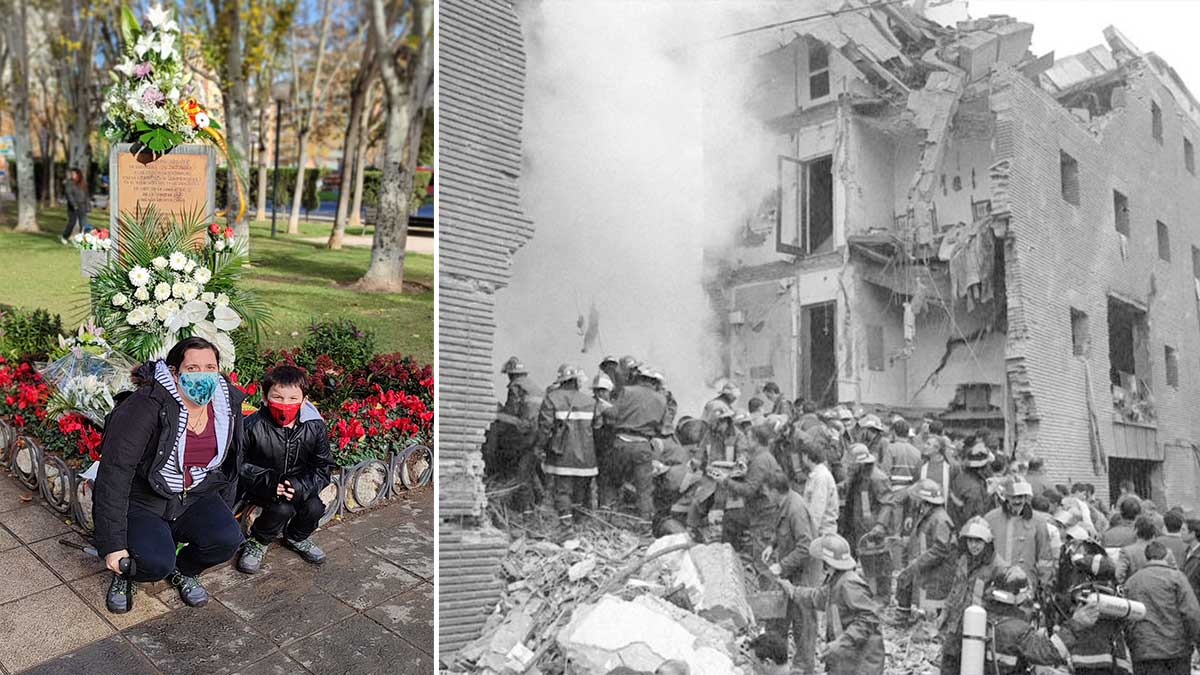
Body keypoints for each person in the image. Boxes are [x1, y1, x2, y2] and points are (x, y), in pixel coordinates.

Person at [93, 337, 247, 613]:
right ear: (175, 372)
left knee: (227, 539)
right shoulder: (146, 405)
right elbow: (115, 472)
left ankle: (184, 570)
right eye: (193, 368)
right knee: (153, 563)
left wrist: (223, 508)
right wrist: (112, 545)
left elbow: (230, 462)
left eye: (210, 367)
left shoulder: (226, 405)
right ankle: (125, 575)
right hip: (145, 497)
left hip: (195, 493)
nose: (203, 375)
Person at [236, 365, 334, 574]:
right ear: (265, 397)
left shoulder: (314, 426)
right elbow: (237, 465)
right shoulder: (251, 425)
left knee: (315, 507)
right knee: (282, 509)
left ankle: (296, 537)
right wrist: (270, 482)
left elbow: (323, 466)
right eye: (277, 397)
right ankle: (259, 541)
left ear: (304, 400)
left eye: (292, 398)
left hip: (299, 485)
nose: (285, 404)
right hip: (262, 486)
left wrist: (302, 486)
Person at [776, 534, 884, 675]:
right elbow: (819, 597)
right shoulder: (836, 581)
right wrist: (793, 591)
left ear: (828, 563)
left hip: (862, 662)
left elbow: (869, 617)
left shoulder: (849, 584)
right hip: (849, 658)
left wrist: (842, 643)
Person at [980, 566, 1100, 674]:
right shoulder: (1018, 630)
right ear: (1020, 598)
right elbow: (1049, 652)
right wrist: (1076, 623)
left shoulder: (980, 620)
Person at [925, 517, 1006, 675]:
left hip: (979, 629)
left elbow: (1002, 603)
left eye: (978, 541)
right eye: (970, 541)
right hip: (956, 624)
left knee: (974, 667)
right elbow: (956, 589)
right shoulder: (964, 560)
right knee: (949, 665)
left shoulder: (998, 566)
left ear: (987, 542)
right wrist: (944, 615)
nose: (973, 546)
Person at [760, 470, 818, 673]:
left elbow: (806, 546)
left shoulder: (796, 509)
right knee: (779, 621)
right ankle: (779, 667)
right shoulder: (783, 504)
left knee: (804, 627)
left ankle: (804, 669)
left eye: (767, 492)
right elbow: (781, 531)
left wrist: (781, 566)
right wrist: (771, 545)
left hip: (803, 577)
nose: (766, 495)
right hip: (790, 575)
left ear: (776, 491)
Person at [601, 366, 669, 525]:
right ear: (655, 382)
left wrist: (603, 408)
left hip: (621, 443)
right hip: (643, 446)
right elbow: (663, 428)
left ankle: (605, 520)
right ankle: (645, 528)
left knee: (610, 481)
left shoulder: (627, 391)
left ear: (640, 378)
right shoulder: (661, 399)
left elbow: (614, 414)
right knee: (644, 490)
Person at [1124, 541, 1200, 675]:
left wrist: (1133, 644)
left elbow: (1127, 618)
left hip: (1144, 650)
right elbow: (1191, 613)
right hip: (1176, 650)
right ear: (1166, 557)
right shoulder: (1177, 578)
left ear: (1147, 558)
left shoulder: (1132, 581)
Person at [536, 365, 598, 529]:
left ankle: (566, 525)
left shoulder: (552, 398)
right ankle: (580, 525)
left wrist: (539, 447)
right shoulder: (591, 401)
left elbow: (544, 428)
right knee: (581, 491)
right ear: (577, 381)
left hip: (561, 454)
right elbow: (598, 427)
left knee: (562, 491)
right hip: (587, 456)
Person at [895, 479, 956, 620]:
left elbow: (941, 548)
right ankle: (904, 614)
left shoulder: (940, 519)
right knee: (906, 578)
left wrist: (918, 562)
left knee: (931, 610)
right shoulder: (929, 516)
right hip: (928, 570)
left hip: (937, 574)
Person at [718, 423, 783, 553]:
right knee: (731, 518)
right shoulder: (765, 456)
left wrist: (726, 481)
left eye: (748, 438)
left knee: (730, 520)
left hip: (763, 513)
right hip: (764, 508)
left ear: (756, 440)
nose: (746, 442)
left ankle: (730, 555)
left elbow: (749, 490)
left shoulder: (760, 460)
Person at [984, 476, 1054, 592]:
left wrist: (1044, 584)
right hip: (996, 583)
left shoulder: (1038, 521)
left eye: (1020, 497)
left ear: (1026, 497)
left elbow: (1044, 556)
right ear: (1006, 496)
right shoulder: (990, 519)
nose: (1017, 501)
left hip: (1026, 584)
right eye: (1013, 497)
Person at [843, 443, 895, 598]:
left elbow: (887, 503)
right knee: (865, 567)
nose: (850, 467)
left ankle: (880, 600)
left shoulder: (877, 477)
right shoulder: (858, 477)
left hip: (873, 532)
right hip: (857, 529)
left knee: (878, 569)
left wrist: (880, 525)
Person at [799, 435, 839, 537]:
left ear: (806, 456)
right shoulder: (816, 475)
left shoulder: (820, 477)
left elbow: (817, 510)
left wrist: (809, 535)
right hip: (820, 531)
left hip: (823, 532)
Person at [1118, 515, 1177, 583]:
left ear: (1136, 531)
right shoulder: (1167, 552)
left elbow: (1119, 575)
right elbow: (1175, 575)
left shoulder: (1126, 551)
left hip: (1135, 589)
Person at [950, 442, 994, 527]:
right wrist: (989, 495)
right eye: (988, 465)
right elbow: (977, 517)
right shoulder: (974, 490)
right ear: (982, 468)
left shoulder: (960, 477)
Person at [61, 167, 89, 243]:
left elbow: (86, 196)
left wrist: (88, 206)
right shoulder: (69, 183)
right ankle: (64, 236)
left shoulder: (82, 183)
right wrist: (74, 204)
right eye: (72, 174)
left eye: (74, 174)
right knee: (72, 223)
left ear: (78, 174)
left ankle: (81, 239)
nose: (72, 175)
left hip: (82, 205)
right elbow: (68, 194)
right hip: (73, 206)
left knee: (83, 223)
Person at [1181, 518, 1200, 602]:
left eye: (1183, 530)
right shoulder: (1187, 552)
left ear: (1192, 534)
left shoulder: (1197, 557)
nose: (1180, 533)